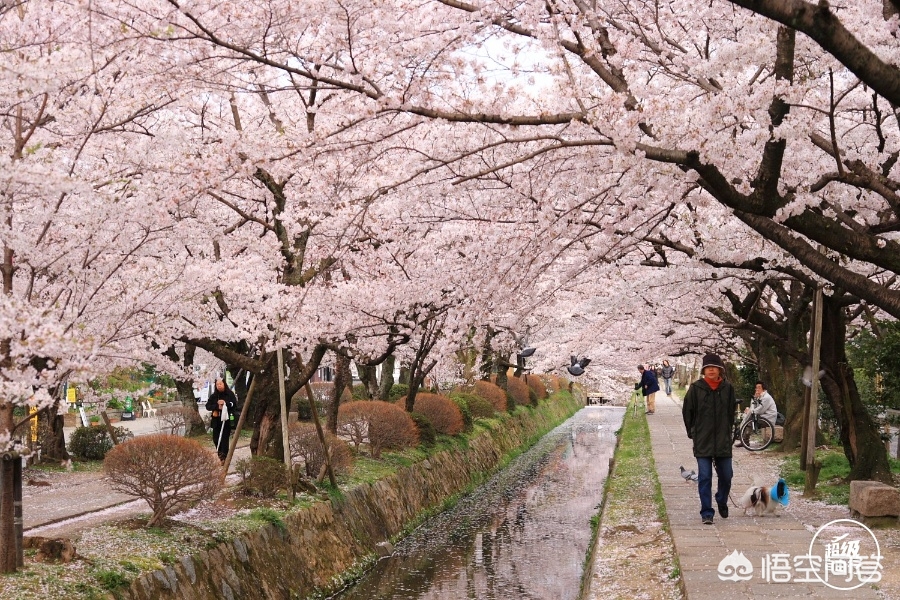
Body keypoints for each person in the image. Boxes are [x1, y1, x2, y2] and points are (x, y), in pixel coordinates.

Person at [681, 353, 738, 525]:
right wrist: (693, 432)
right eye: (708, 367)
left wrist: (728, 431)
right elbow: (687, 412)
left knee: (726, 476)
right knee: (705, 476)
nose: (711, 370)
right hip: (703, 440)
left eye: (714, 367)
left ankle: (721, 499)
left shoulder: (728, 388)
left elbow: (730, 413)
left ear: (720, 370)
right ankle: (707, 512)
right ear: (704, 370)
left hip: (722, 440)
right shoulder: (696, 388)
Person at [734, 381, 778, 447]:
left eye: (759, 388)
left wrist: (750, 411)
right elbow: (754, 407)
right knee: (748, 417)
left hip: (768, 418)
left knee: (750, 422)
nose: (757, 389)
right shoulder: (759, 397)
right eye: (756, 388)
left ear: (764, 389)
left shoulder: (766, 397)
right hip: (762, 416)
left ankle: (744, 440)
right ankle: (742, 438)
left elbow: (760, 410)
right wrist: (754, 399)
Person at [206, 378, 237, 462]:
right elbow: (208, 406)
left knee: (224, 439)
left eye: (220, 384)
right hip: (216, 420)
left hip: (226, 421)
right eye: (217, 384)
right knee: (216, 439)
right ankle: (220, 455)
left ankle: (224, 458)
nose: (219, 386)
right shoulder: (214, 396)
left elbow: (234, 404)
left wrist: (225, 404)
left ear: (224, 384)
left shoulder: (229, 394)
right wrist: (216, 406)